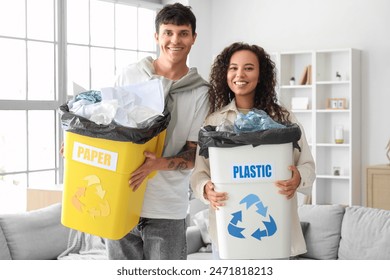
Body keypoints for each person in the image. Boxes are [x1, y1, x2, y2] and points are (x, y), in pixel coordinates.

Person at [190, 42, 316, 258]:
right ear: (225, 74)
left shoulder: (283, 119)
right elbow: (199, 173)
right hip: (227, 235)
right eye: (233, 68)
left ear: (261, 75)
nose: (240, 74)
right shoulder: (214, 122)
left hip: (276, 235)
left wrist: (298, 178)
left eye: (249, 68)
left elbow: (308, 166)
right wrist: (205, 189)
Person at [106, 3, 209, 260]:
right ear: (157, 36)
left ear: (194, 38)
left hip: (166, 208)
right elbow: (108, 127)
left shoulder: (201, 92)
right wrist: (80, 147)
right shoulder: (129, 75)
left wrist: (158, 164)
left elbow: (193, 154)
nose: (175, 40)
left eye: (183, 33)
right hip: (120, 199)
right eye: (168, 32)